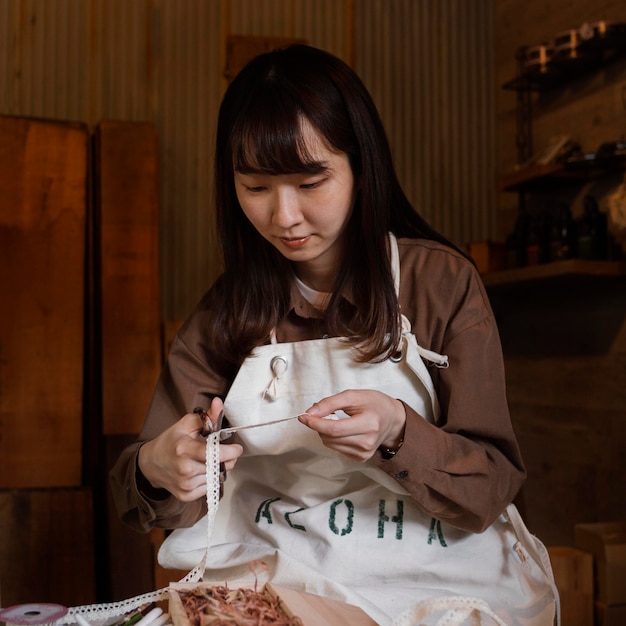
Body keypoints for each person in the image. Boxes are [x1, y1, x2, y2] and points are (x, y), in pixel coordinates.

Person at [110, 44, 557, 625]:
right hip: (273, 571)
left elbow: (493, 485)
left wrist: (399, 432)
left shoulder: (439, 284)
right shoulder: (226, 312)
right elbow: (138, 489)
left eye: (310, 181)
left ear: (362, 168)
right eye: (256, 188)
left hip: (432, 577)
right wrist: (157, 467)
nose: (284, 217)